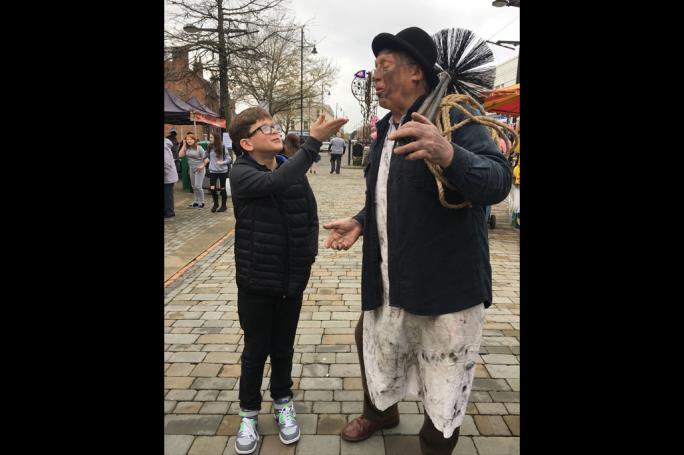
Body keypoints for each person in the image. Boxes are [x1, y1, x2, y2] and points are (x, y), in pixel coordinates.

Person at [322, 27, 512, 455]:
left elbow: (497, 181)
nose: (376, 76)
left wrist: (449, 153)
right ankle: (381, 412)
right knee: (368, 338)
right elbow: (388, 192)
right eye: (374, 68)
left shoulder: (455, 114)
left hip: (444, 286)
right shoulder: (386, 126)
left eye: (384, 66)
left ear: (416, 75)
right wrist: (359, 221)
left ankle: (434, 443)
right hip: (391, 276)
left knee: (443, 369)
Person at [228, 107, 347, 454]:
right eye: (265, 128)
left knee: (283, 347)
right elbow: (275, 183)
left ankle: (283, 401)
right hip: (256, 280)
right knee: (255, 350)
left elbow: (310, 214)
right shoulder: (242, 173)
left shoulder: (289, 169)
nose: (274, 130)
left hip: (292, 279)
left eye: (275, 125)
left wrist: (307, 257)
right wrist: (313, 143)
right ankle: (249, 413)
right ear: (247, 143)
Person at [179, 132, 208, 208]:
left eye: (191, 139)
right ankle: (196, 201)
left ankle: (202, 202)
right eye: (187, 139)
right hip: (191, 169)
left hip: (199, 169)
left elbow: (206, 160)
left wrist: (202, 166)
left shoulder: (199, 148)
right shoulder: (187, 148)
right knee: (193, 186)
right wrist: (184, 145)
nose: (189, 141)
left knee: (198, 186)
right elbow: (180, 155)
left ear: (194, 140)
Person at [207, 132, 231, 213]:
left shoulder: (223, 147)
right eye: (209, 137)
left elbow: (229, 159)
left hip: (222, 171)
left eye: (211, 137)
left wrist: (223, 162)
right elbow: (206, 156)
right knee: (212, 188)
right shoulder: (209, 146)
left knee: (222, 188)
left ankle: (224, 206)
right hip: (213, 171)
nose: (209, 139)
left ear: (216, 138)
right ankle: (216, 204)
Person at [164, 124, 179, 219]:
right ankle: (168, 210)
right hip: (169, 174)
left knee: (168, 194)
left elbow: (166, 163)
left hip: (167, 175)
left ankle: (169, 212)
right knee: (168, 194)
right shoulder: (168, 143)